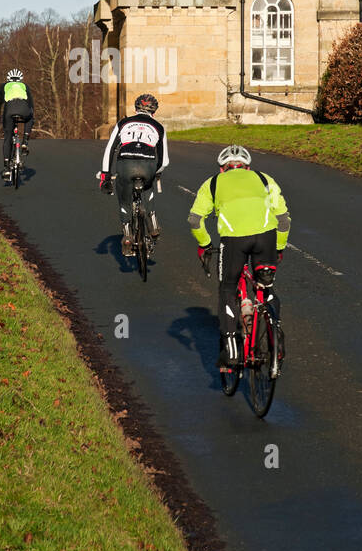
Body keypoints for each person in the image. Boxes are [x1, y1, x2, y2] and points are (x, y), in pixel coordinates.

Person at [188, 145, 290, 371]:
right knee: (265, 286)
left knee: (227, 288)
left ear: (222, 169)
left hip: (234, 240)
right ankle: (276, 335)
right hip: (266, 238)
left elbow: (195, 220)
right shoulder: (264, 179)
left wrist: (205, 244)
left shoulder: (213, 183)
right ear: (248, 167)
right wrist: (279, 247)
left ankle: (232, 351)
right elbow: (283, 220)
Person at [99, 94, 168, 256]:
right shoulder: (159, 127)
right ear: (154, 112)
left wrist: (105, 176)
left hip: (126, 163)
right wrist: (156, 173)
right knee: (148, 187)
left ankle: (128, 236)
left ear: (135, 109)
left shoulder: (123, 123)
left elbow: (110, 149)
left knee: (124, 200)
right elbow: (164, 161)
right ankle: (152, 223)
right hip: (148, 164)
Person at [0, 68, 34, 181]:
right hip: (24, 109)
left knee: (7, 138)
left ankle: (6, 169)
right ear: (20, 80)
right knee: (31, 117)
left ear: (8, 79)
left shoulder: (4, 86)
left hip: (9, 111)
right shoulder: (24, 86)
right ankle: (25, 141)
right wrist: (30, 114)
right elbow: (31, 104)